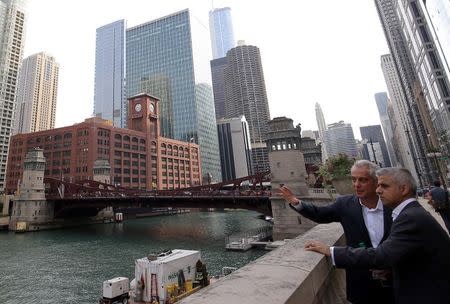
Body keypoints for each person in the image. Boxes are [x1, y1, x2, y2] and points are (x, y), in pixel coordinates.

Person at [304, 167, 450, 304]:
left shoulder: (410, 217)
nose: (378, 190)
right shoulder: (412, 213)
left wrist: (331, 251)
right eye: (378, 185)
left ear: (403, 189)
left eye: (384, 186)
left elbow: (381, 255)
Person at [278, 160, 394, 304]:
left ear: (377, 182)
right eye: (353, 179)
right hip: (361, 285)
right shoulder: (345, 204)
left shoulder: (394, 206)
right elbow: (320, 214)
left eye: (363, 180)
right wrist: (295, 202)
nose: (356, 184)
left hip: (397, 285)